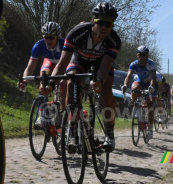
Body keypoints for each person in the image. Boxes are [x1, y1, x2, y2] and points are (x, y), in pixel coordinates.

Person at [47, 2, 121, 150]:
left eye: (109, 24)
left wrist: (98, 80)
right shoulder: (77, 32)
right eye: (101, 23)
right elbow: (62, 64)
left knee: (106, 89)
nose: (104, 27)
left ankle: (109, 134)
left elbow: (105, 66)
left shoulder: (114, 40)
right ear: (93, 21)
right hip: (79, 60)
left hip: (101, 65)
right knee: (71, 81)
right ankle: (73, 131)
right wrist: (50, 83)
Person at [122, 45, 156, 138]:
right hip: (140, 81)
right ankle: (134, 104)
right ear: (137, 55)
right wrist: (125, 85)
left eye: (143, 55)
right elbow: (128, 76)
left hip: (149, 83)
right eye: (139, 55)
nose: (141, 57)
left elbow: (153, 78)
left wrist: (151, 86)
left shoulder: (151, 64)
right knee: (134, 87)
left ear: (147, 55)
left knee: (150, 105)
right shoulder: (134, 64)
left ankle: (150, 128)